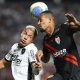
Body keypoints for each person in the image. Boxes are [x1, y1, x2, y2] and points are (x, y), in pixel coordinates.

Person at [36, 11, 80, 80]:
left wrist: (77, 23)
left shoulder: (64, 28)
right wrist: (41, 55)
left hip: (76, 73)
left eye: (40, 20)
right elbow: (46, 59)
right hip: (61, 75)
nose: (38, 23)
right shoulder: (46, 40)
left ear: (50, 20)